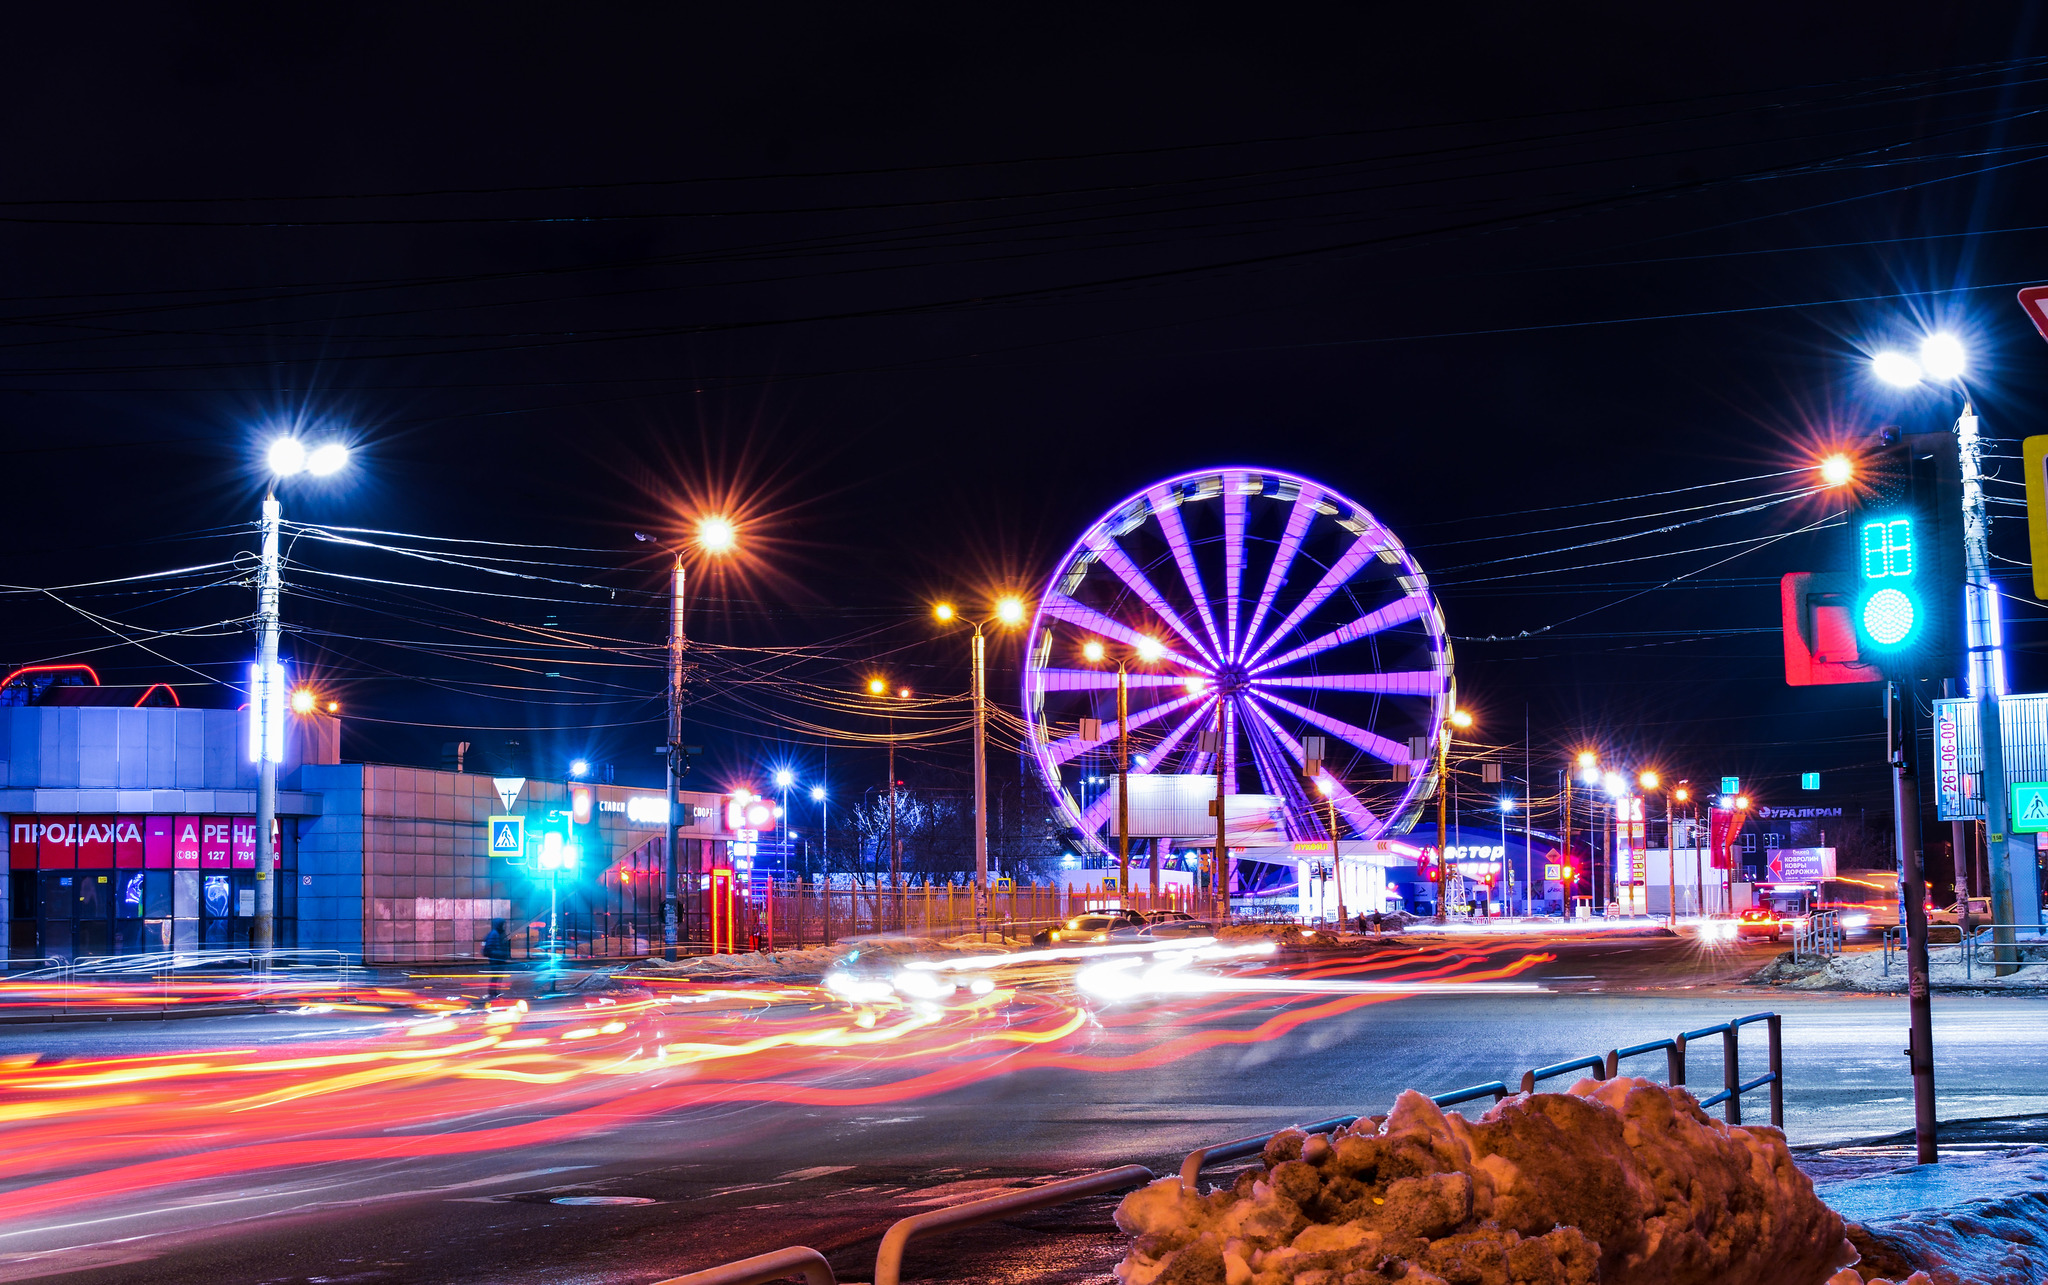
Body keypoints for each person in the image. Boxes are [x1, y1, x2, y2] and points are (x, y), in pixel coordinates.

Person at [482, 917, 512, 1004]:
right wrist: (501, 954)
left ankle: (494, 992)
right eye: (503, 924)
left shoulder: (499, 933)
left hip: (499, 959)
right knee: (495, 976)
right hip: (496, 960)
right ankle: (492, 993)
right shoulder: (494, 934)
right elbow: (491, 948)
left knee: (497, 977)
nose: (504, 926)